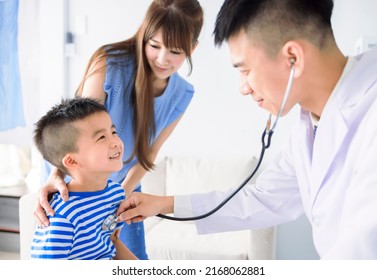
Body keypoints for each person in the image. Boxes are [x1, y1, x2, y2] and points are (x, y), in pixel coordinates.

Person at [116, 0, 377, 259]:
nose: (243, 88)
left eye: (246, 70)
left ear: (293, 58)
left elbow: (361, 250)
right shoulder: (310, 124)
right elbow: (263, 199)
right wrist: (164, 203)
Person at [34, 0, 204, 260]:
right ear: (143, 34)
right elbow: (73, 131)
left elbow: (150, 152)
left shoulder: (183, 94)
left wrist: (118, 197)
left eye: (175, 51)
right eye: (154, 45)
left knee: (130, 255)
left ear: (193, 48)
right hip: (76, 180)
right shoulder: (109, 64)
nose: (162, 59)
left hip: (122, 184)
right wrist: (55, 177)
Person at [31, 98, 137, 260]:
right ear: (72, 161)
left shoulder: (116, 194)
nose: (115, 142)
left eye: (113, 132)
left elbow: (111, 241)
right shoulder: (63, 217)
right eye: (102, 137)